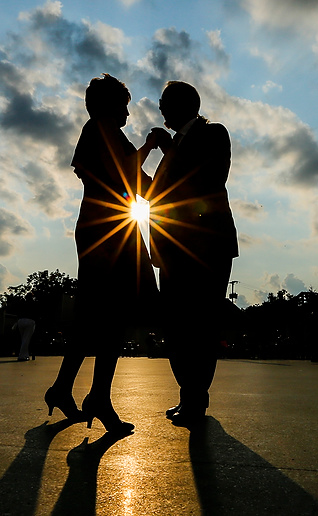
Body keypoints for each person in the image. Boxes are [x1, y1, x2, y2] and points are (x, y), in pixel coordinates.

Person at [44, 74, 159, 435]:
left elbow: (144, 187)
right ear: (112, 105)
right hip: (106, 230)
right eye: (124, 103)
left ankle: (65, 388)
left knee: (96, 316)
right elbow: (125, 173)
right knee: (109, 317)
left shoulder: (109, 134)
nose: (128, 110)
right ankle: (98, 397)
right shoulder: (100, 128)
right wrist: (152, 144)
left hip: (110, 227)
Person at [146, 81, 238, 426]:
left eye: (163, 103)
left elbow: (208, 180)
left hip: (205, 245)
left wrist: (170, 149)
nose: (160, 110)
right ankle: (188, 394)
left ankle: (196, 399)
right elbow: (155, 196)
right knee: (176, 325)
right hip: (172, 248)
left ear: (180, 105)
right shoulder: (173, 149)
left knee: (200, 324)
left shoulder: (212, 133)